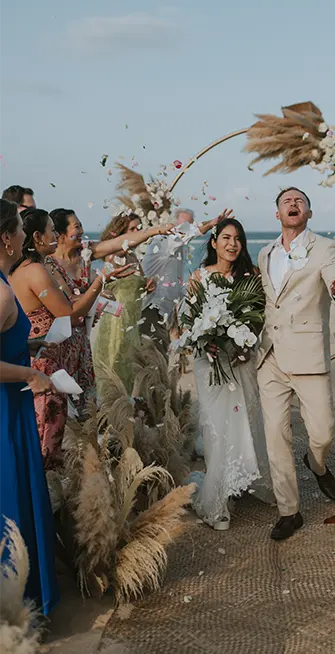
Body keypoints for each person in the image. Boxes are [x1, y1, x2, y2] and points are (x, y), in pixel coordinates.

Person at [257, 187, 335, 541]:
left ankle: (316, 463)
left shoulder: (326, 249)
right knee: (276, 436)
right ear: (277, 214)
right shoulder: (265, 253)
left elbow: (334, 277)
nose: (293, 204)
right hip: (268, 357)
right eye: (286, 201)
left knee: (323, 431)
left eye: (299, 201)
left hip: (308, 355)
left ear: (309, 213)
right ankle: (289, 511)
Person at [9, 209, 132, 456]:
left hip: (50, 359)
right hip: (46, 364)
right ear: (38, 237)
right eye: (52, 230)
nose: (56, 235)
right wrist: (101, 281)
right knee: (47, 438)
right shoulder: (34, 270)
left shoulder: (36, 267)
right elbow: (70, 314)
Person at [185, 218, 273, 530]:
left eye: (237, 238)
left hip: (241, 359)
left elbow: (260, 316)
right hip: (210, 363)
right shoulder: (199, 278)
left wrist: (247, 346)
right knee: (216, 424)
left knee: (246, 419)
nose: (232, 244)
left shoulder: (250, 277)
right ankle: (217, 500)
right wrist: (205, 343)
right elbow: (189, 321)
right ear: (213, 242)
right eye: (225, 237)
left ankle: (244, 480)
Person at [0, 199, 59, 616]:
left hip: (12, 404)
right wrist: (29, 375)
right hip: (6, 408)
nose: (25, 235)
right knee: (10, 491)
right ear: (6, 239)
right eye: (20, 228)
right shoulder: (2, 293)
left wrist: (29, 347)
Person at [92, 212, 165, 396]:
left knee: (130, 365)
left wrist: (149, 284)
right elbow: (104, 287)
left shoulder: (133, 257)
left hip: (133, 320)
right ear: (120, 233)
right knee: (115, 363)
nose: (136, 233)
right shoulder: (112, 257)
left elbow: (138, 283)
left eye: (139, 229)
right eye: (132, 229)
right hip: (116, 321)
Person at [141, 208, 231, 350]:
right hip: (151, 309)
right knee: (151, 357)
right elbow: (192, 232)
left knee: (161, 356)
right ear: (171, 225)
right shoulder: (164, 242)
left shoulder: (179, 245)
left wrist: (213, 222)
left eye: (190, 225)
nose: (188, 229)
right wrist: (211, 224)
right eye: (184, 225)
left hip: (165, 312)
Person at [49, 208, 170, 293]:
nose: (82, 231)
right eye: (77, 227)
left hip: (84, 326)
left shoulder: (85, 251)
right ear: (61, 234)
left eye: (81, 225)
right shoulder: (50, 264)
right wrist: (101, 284)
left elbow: (120, 242)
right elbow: (68, 302)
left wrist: (156, 230)